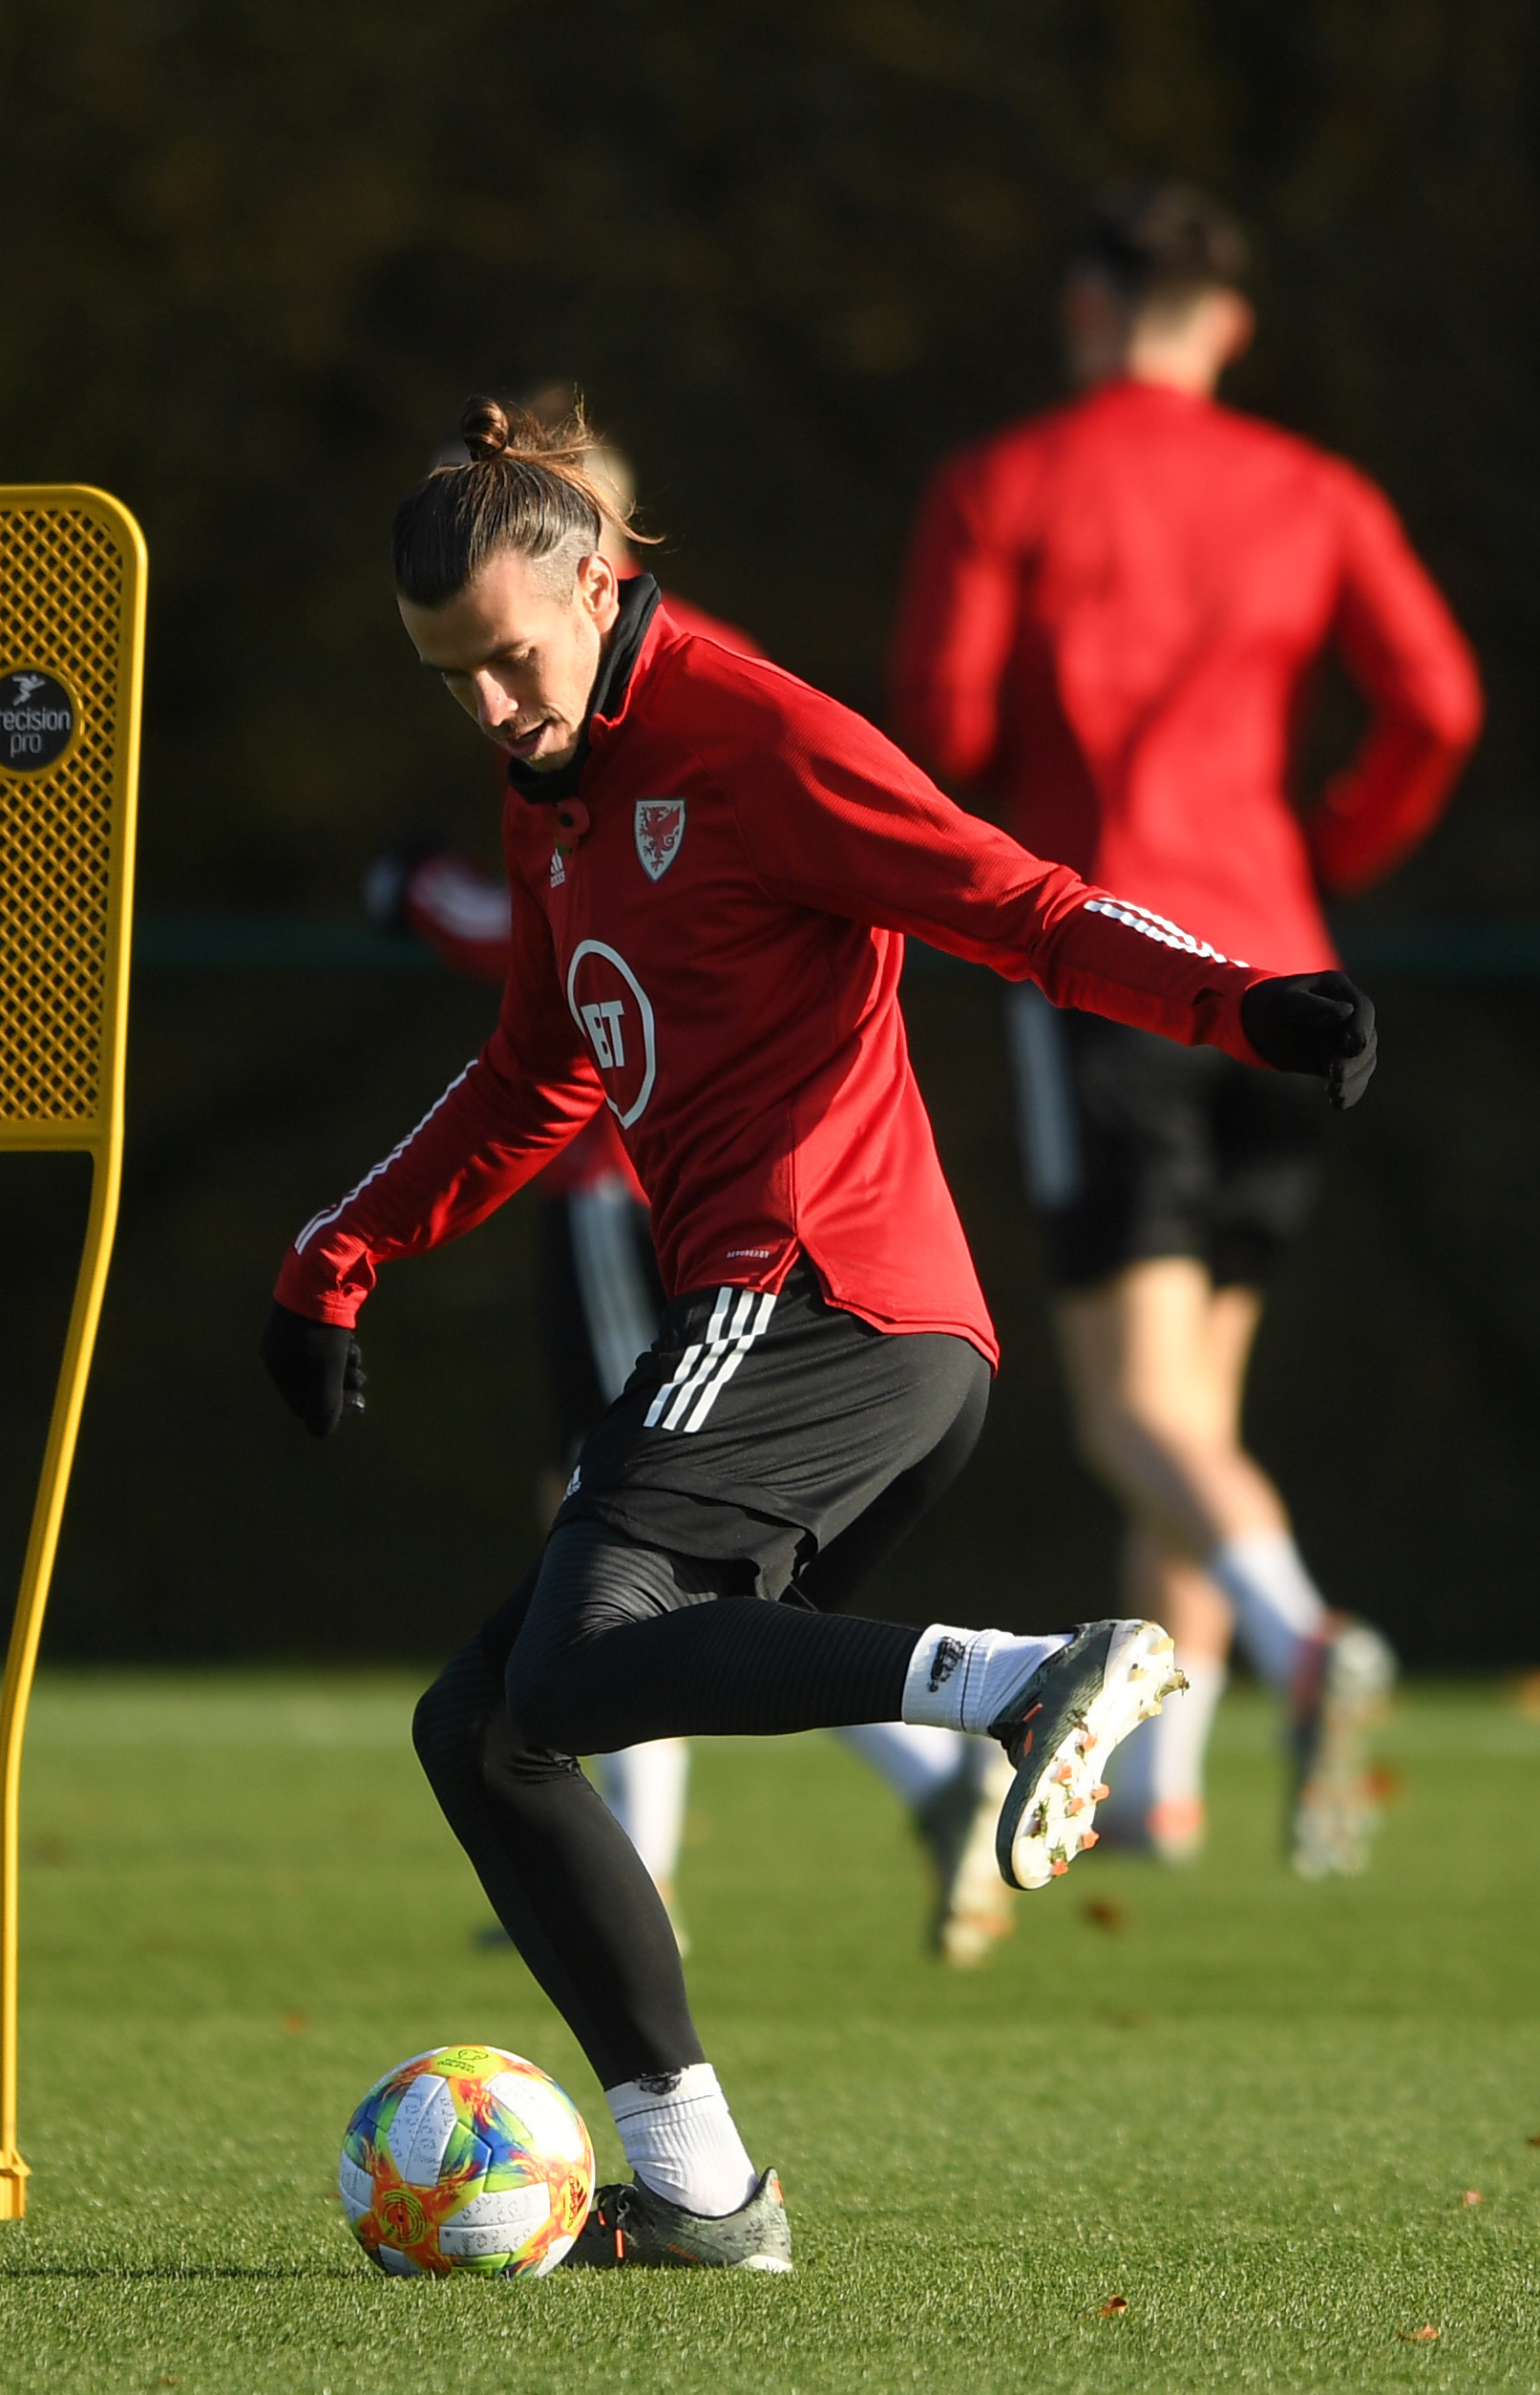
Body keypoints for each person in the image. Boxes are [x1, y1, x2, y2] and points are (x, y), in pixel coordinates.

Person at [263, 397, 1379, 2268]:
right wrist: (335, 1255)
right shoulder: (554, 790)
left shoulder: (755, 735)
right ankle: (700, 2194)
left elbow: (1009, 901)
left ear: (596, 585)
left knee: (568, 1673)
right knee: (487, 1730)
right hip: (795, 1322)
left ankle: (1022, 1680)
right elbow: (537, 1069)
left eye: (509, 662)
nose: (489, 710)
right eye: (448, 681)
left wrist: (1237, 999)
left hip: (817, 1298)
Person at [369, 408, 1017, 1966]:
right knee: (619, 1559)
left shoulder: (693, 707)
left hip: (649, 1189)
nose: (487, 695)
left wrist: (418, 895)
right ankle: (916, 1779)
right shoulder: (556, 703)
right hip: (679, 1192)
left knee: (608, 1539)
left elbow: (549, 955)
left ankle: (691, 1841)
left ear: (586, 564)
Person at [889, 188, 1480, 1876]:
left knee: (1124, 1413)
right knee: (1192, 1413)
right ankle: (1160, 1791)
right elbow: (1438, 705)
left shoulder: (1005, 483)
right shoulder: (1314, 489)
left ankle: (1300, 1640)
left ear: (1084, 308)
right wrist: (1324, 851)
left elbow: (938, 725)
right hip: (1287, 987)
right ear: (1228, 324)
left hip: (1114, 969)